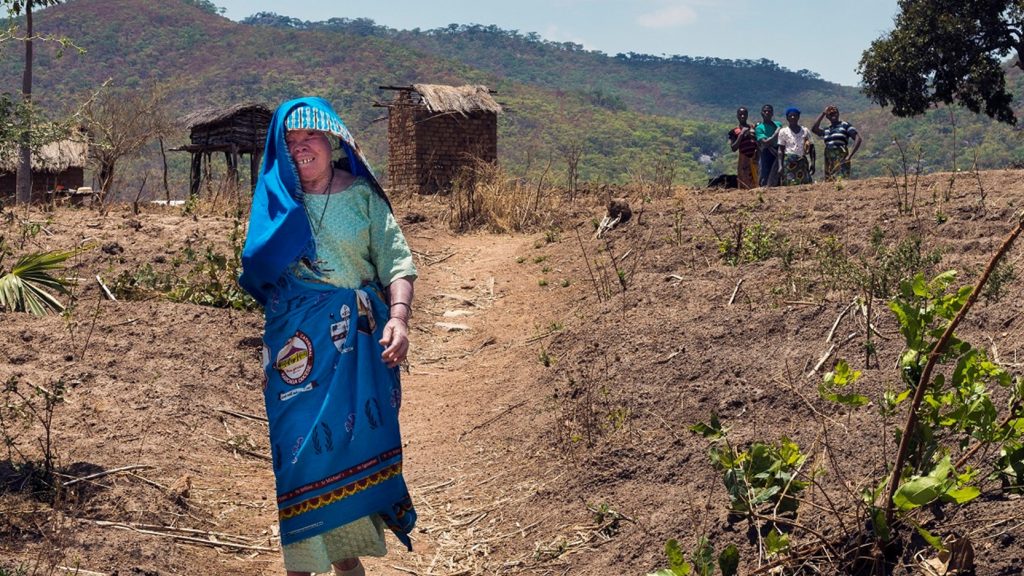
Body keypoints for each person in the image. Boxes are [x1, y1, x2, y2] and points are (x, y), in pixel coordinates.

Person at [239, 97, 417, 576]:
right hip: (294, 357)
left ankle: (346, 560)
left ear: (332, 142)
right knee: (298, 456)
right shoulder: (276, 203)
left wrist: (397, 318)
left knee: (348, 445)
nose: (301, 149)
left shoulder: (361, 196)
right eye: (290, 142)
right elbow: (256, 271)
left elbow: (396, 262)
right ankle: (301, 565)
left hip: (356, 348)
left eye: (310, 138)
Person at [811, 105, 862, 181]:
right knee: (830, 181)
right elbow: (814, 129)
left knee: (841, 180)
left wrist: (849, 156)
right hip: (829, 158)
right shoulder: (827, 129)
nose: (833, 115)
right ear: (827, 117)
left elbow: (858, 139)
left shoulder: (844, 125)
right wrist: (823, 113)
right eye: (830, 114)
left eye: (835, 113)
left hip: (841, 157)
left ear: (838, 114)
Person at [776, 107, 816, 186]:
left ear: (798, 117)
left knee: (804, 184)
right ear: (787, 117)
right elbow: (780, 150)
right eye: (790, 116)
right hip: (788, 162)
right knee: (789, 184)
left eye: (795, 115)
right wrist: (780, 166)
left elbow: (812, 148)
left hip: (802, 161)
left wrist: (813, 163)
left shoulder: (805, 131)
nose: (792, 117)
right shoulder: (783, 131)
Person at [727, 107, 759, 189]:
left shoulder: (753, 128)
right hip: (744, 159)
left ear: (747, 115)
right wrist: (741, 134)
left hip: (755, 158)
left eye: (744, 114)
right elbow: (733, 148)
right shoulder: (734, 131)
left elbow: (759, 141)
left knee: (757, 180)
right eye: (740, 114)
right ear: (737, 116)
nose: (742, 116)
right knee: (744, 183)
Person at [755, 104, 782, 187]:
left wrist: (771, 139)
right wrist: (776, 134)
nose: (767, 113)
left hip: (778, 152)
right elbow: (765, 143)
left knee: (777, 176)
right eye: (765, 111)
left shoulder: (778, 124)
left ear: (772, 113)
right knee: (765, 175)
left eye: (769, 111)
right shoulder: (759, 128)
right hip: (766, 153)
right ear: (762, 113)